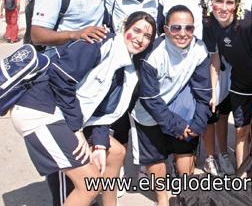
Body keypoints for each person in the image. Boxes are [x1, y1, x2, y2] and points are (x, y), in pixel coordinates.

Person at [10, 11, 156, 206]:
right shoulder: (98, 43)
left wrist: (100, 143)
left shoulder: (126, 67)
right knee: (89, 185)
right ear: (124, 28)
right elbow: (61, 79)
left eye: (147, 36)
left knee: (117, 152)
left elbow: (101, 111)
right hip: (41, 111)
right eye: (136, 30)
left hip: (67, 115)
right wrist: (76, 129)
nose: (140, 39)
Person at [29, 0, 110, 205]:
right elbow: (37, 34)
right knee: (69, 170)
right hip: (54, 87)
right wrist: (77, 33)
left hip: (80, 87)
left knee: (82, 160)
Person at [131, 5, 211, 206]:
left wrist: (197, 124)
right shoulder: (152, 55)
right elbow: (149, 99)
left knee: (186, 142)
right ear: (166, 30)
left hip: (177, 100)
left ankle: (186, 194)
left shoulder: (200, 49)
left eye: (189, 28)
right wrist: (175, 125)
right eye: (176, 28)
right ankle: (162, 199)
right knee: (154, 156)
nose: (183, 34)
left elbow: (203, 92)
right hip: (148, 108)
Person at [201, 0, 252, 178]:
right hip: (240, 84)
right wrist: (213, 91)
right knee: (241, 132)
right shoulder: (209, 25)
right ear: (210, 2)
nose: (224, 8)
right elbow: (215, 60)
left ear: (237, 4)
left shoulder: (247, 24)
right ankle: (242, 177)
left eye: (229, 3)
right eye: (219, 1)